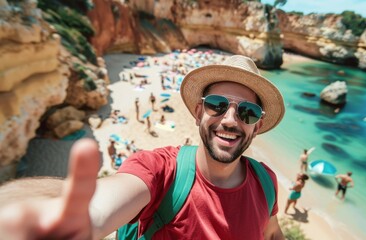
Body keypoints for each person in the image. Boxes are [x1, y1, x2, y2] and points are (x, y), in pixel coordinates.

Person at [0, 55, 286, 239]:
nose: (230, 120)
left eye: (247, 112)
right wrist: (82, 220)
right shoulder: (161, 170)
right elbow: (104, 204)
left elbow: (271, 233)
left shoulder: (266, 182)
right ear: (199, 112)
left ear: (257, 126)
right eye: (217, 105)